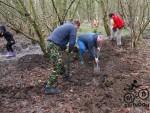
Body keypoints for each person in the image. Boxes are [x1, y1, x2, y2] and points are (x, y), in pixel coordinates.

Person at [46, 20, 80, 94]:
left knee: (59, 62)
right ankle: (48, 87)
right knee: (57, 66)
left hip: (51, 44)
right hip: (53, 46)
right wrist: (69, 50)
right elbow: (72, 43)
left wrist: (65, 48)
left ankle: (65, 76)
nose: (77, 30)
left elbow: (61, 40)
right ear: (76, 25)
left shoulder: (66, 25)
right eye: (78, 28)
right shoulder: (72, 28)